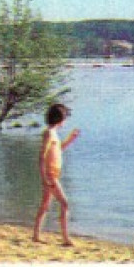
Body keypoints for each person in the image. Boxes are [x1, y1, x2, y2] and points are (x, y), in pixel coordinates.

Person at [33, 102, 81, 246]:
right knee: (64, 204)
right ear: (60, 119)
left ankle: (36, 235)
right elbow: (42, 156)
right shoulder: (49, 133)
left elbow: (58, 150)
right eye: (65, 118)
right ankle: (66, 238)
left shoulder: (53, 134)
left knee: (45, 205)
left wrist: (71, 139)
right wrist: (44, 178)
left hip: (53, 174)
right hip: (50, 176)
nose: (65, 121)